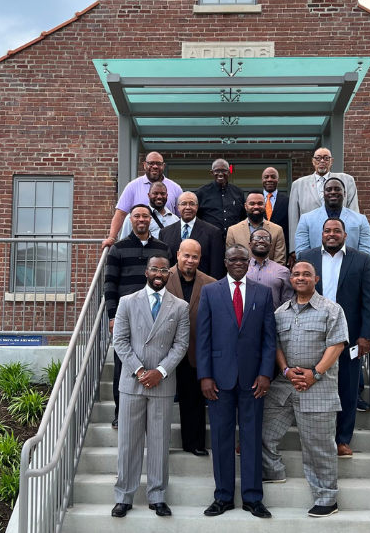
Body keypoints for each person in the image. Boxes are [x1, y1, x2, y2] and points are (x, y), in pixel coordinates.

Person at [262, 260, 348, 517]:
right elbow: (276, 345)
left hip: (317, 387)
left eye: (306, 274)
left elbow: (337, 346)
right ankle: (273, 472)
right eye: (296, 274)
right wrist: (286, 370)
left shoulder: (331, 310)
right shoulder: (280, 313)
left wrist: (315, 373)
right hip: (285, 385)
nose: (301, 278)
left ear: (316, 279)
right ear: (290, 280)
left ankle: (327, 498)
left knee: (318, 445)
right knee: (262, 433)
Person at [196, 245, 276, 519]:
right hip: (219, 378)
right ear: (225, 262)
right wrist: (205, 375)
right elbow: (203, 338)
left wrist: (266, 373)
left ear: (249, 262)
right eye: (234, 259)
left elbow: (269, 338)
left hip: (254, 379)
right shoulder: (210, 291)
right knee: (220, 438)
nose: (239, 262)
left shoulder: (263, 293)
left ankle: (253, 498)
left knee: (252, 438)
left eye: (244, 259)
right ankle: (223, 496)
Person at [111, 255, 190, 518]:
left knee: (159, 442)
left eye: (164, 270)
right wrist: (141, 370)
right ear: (146, 272)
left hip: (162, 383)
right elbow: (120, 341)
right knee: (128, 443)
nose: (159, 273)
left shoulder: (180, 306)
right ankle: (124, 496)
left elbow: (181, 345)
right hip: (132, 382)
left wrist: (160, 371)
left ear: (170, 274)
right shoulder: (127, 302)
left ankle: (157, 496)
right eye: (154, 269)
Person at [298, 218, 370, 459]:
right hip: (313, 331)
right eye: (327, 231)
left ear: (345, 235)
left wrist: (366, 335)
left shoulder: (360, 260)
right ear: (321, 234)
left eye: (336, 231)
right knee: (314, 385)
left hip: (350, 335)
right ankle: (316, 439)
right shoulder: (307, 256)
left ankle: (343, 439)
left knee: (348, 385)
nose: (331, 234)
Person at [104, 204, 171, 429]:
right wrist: (112, 316)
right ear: (130, 220)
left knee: (154, 359)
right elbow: (110, 284)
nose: (141, 220)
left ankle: (150, 412)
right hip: (127, 314)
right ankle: (120, 412)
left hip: (156, 312)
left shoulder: (162, 248)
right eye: (136, 216)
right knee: (123, 364)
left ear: (150, 219)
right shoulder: (118, 249)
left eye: (145, 216)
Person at [165, 238, 216, 456]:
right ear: (178, 255)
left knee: (193, 400)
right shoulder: (162, 278)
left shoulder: (211, 283)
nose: (190, 260)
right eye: (186, 255)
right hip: (165, 351)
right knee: (162, 401)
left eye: (195, 256)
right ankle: (161, 444)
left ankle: (193, 443)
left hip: (195, 349)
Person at [102, 152, 182, 249]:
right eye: (151, 163)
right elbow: (120, 213)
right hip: (139, 247)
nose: (155, 166)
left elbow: (180, 217)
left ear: (163, 166)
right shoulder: (133, 186)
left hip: (167, 248)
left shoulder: (175, 188)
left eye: (159, 164)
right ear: (145, 165)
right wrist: (112, 237)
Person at [288, 148, 359, 255]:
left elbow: (354, 212)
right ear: (313, 161)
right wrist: (294, 250)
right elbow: (294, 220)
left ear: (332, 161)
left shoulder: (347, 180)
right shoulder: (298, 184)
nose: (322, 161)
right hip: (311, 241)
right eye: (318, 158)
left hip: (341, 243)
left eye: (326, 158)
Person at [295, 177, 370, 256]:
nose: (333, 192)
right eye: (328, 190)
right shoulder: (306, 219)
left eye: (337, 189)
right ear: (323, 194)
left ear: (344, 193)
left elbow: (365, 252)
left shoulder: (361, 220)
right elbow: (301, 253)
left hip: (350, 267)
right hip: (316, 267)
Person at [160, 191, 225, 279]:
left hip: (202, 287)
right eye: (183, 204)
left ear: (197, 207)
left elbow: (216, 267)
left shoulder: (213, 232)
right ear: (178, 207)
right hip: (173, 286)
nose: (188, 207)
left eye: (192, 204)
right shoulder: (165, 233)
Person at [226, 191, 286, 265]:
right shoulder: (233, 231)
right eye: (252, 204)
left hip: (270, 275)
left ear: (265, 206)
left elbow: (279, 261)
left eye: (260, 203)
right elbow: (231, 260)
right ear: (245, 206)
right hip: (242, 275)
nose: (256, 207)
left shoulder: (277, 230)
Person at [195, 159, 246, 240]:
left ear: (229, 172)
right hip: (210, 239)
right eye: (217, 171)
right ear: (212, 172)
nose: (220, 174)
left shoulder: (238, 192)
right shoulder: (202, 192)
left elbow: (244, 217)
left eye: (224, 170)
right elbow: (197, 218)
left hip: (234, 239)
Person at [246, 228, 294, 310]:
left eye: (266, 238)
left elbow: (287, 302)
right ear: (250, 244)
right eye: (257, 238)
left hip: (274, 320)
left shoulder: (283, 271)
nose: (261, 241)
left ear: (271, 245)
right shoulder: (240, 269)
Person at [262, 167, 290, 255]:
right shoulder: (255, 200)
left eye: (273, 177)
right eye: (266, 177)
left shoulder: (287, 201)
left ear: (278, 180)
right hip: (258, 247)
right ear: (262, 180)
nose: (269, 179)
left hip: (281, 249)